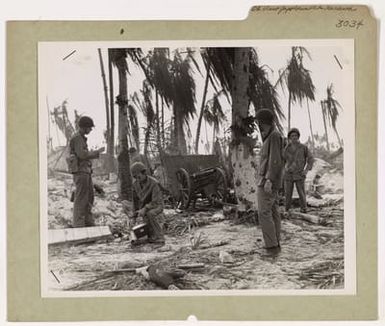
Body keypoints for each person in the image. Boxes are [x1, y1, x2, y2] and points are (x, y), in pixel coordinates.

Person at [255, 109, 284, 256]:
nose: (259, 127)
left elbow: (275, 160)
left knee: (264, 212)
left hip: (267, 180)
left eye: (260, 123)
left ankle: (271, 245)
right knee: (273, 212)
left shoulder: (274, 136)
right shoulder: (271, 136)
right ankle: (274, 242)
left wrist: (269, 180)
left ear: (265, 122)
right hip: (267, 179)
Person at [68, 116, 105, 227]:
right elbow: (82, 154)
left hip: (85, 172)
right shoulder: (77, 138)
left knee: (89, 198)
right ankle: (79, 226)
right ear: (84, 127)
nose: (90, 130)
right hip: (81, 172)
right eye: (89, 128)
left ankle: (88, 224)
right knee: (81, 199)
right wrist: (96, 152)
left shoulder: (80, 138)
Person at [131, 161, 165, 245]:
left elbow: (156, 201)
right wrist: (134, 214)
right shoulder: (135, 184)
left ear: (144, 173)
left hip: (157, 205)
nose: (137, 179)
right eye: (135, 177)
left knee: (150, 214)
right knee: (139, 218)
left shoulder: (154, 183)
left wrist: (145, 209)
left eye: (139, 177)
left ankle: (159, 237)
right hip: (144, 207)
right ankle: (148, 236)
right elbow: (135, 201)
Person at [283, 128, 314, 213]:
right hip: (288, 174)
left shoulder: (303, 147)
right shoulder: (286, 148)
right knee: (288, 193)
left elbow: (310, 159)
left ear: (298, 136)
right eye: (292, 136)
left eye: (296, 135)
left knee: (301, 192)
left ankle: (304, 209)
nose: (294, 137)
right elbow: (282, 160)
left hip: (299, 173)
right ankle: (287, 210)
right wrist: (284, 168)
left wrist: (306, 170)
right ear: (289, 137)